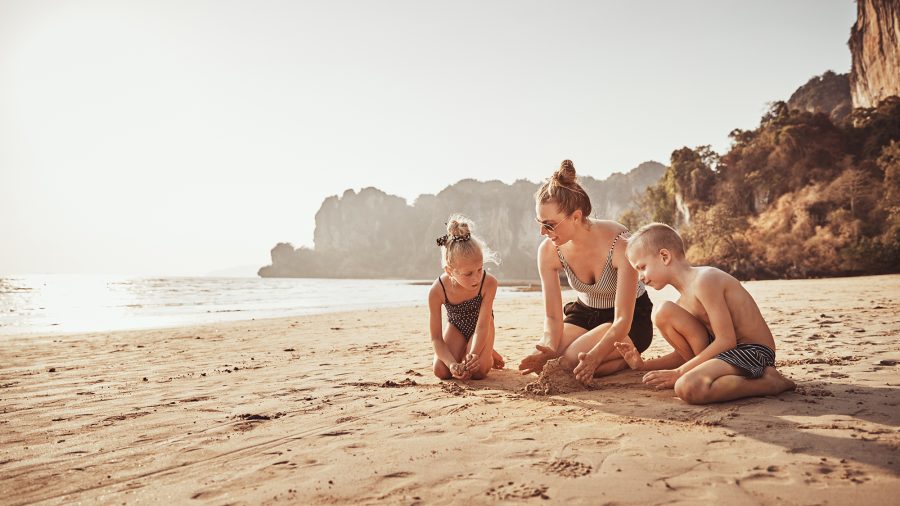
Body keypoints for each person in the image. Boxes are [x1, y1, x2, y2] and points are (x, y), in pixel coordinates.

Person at [614, 222, 795, 404]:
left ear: (664, 256)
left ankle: (770, 383)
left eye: (642, 267)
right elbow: (684, 355)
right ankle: (711, 376)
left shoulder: (705, 280)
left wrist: (680, 373)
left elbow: (726, 340)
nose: (641, 277)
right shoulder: (682, 303)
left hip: (753, 351)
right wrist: (643, 365)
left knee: (687, 387)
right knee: (662, 312)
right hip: (725, 354)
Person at [518, 160, 653, 385]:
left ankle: (618, 360)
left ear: (576, 217)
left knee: (570, 362)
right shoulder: (549, 251)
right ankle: (615, 362)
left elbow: (622, 320)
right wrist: (549, 346)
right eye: (539, 223)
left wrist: (594, 357)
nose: (542, 231)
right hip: (585, 314)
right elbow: (552, 317)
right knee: (550, 360)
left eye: (549, 224)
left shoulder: (620, 245)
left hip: (627, 321)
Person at [428, 215, 504, 380]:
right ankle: (470, 348)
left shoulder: (488, 283)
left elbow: (482, 327)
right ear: (450, 271)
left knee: (477, 372)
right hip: (457, 327)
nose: (476, 278)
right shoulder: (437, 291)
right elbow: (436, 338)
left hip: (483, 327)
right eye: (468, 274)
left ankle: (486, 352)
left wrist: (475, 354)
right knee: (441, 371)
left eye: (480, 269)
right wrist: (451, 364)